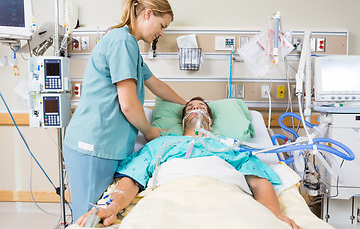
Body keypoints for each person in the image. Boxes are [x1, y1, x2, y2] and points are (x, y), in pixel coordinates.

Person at [76, 97, 301, 229]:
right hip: (168, 196)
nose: (196, 110)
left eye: (201, 108)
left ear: (210, 120)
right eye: (190, 108)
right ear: (183, 118)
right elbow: (131, 179)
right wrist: (113, 206)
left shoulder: (226, 146)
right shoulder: (161, 145)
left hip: (225, 194)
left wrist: (273, 214)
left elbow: (259, 181)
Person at [63, 0, 186, 220]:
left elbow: (156, 85)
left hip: (105, 147)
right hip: (93, 146)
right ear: (148, 14)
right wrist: (150, 133)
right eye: (162, 25)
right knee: (89, 218)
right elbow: (128, 104)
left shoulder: (130, 47)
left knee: (101, 216)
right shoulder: (122, 41)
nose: (162, 32)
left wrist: (188, 105)